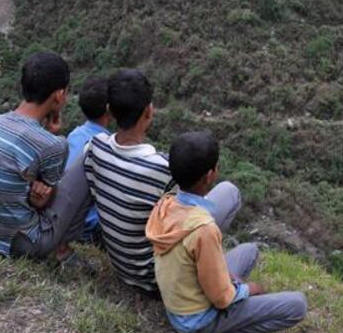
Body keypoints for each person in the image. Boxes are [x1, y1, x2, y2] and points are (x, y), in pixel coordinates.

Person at [146, 131, 307, 333]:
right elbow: (222, 299)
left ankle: (220, 322)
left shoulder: (165, 204)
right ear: (210, 175)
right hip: (196, 319)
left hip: (179, 301)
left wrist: (222, 275)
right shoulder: (204, 229)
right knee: (297, 305)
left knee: (249, 250)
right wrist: (249, 289)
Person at [84, 70, 241, 294]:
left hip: (121, 266)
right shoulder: (162, 170)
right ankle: (210, 267)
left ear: (109, 110)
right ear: (149, 111)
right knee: (229, 193)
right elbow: (190, 216)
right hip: (158, 279)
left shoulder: (94, 148)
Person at [0, 52, 92, 266]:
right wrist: (52, 136)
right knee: (91, 155)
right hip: (23, 244)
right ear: (59, 96)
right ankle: (62, 248)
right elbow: (45, 203)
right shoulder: (53, 144)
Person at [65, 77, 111, 243]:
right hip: (90, 228)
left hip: (66, 221)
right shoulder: (107, 145)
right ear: (109, 109)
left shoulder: (74, 135)